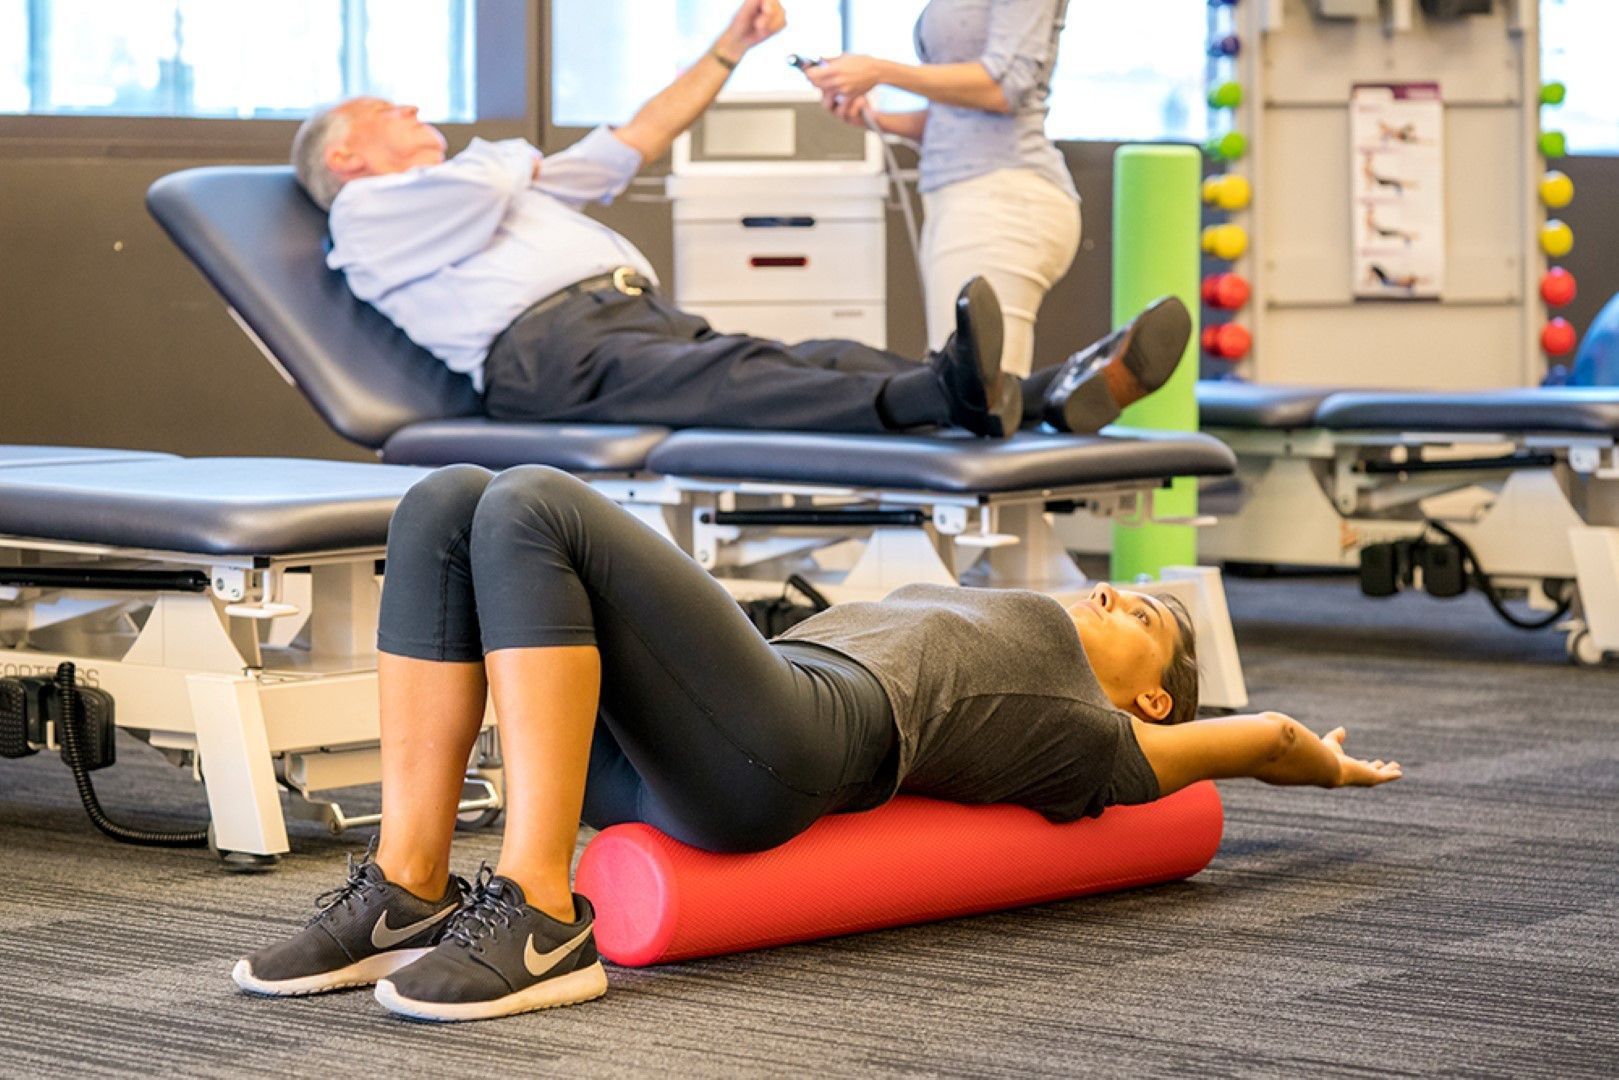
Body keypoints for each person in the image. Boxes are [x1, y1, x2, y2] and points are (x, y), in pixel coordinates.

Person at [233, 465, 1403, 1022]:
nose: (1116, 601)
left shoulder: (1091, 740)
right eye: (1124, 592)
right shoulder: (1003, 612)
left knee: (534, 501)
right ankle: (408, 888)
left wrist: (1333, 766)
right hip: (723, 711)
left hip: (783, 751)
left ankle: (543, 916)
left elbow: (1264, 736)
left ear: (1152, 702)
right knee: (442, 503)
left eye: (1146, 621)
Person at [290, 0, 1185, 441]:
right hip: (548, 356)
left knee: (805, 360)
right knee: (745, 377)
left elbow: (632, 138)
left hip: (625, 325)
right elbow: (493, 177)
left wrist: (729, 48)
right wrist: (508, 162)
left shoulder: (480, 183)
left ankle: (1048, 394)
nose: (409, 105)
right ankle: (953, 394)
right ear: (344, 155)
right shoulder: (369, 213)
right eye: (386, 108)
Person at [803, 0, 1082, 385]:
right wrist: (878, 120)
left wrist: (879, 71)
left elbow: (1005, 86)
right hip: (963, 197)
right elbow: (957, 123)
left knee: (979, 392)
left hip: (1003, 197)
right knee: (957, 384)